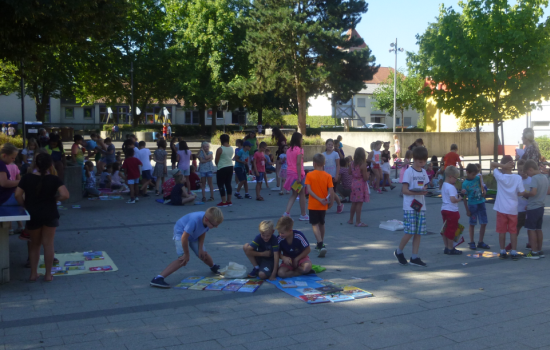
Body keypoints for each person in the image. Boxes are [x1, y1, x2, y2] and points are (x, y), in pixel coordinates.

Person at [15, 153, 70, 282]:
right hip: (50, 214)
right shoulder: (54, 179)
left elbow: (18, 194)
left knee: (34, 245)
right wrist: (55, 199)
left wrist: (24, 205)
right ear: (51, 165)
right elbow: (65, 195)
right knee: (48, 244)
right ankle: (48, 274)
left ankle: (33, 274)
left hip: (33, 214)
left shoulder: (27, 178)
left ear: (35, 164)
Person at [149, 207, 223, 288]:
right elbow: (184, 238)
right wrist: (186, 254)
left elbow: (202, 231)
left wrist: (200, 248)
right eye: (215, 225)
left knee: (203, 254)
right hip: (181, 234)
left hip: (193, 233)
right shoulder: (194, 220)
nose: (216, 227)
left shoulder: (208, 219)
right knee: (183, 259)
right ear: (206, 220)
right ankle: (158, 278)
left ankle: (213, 267)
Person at [394, 146, 430, 267]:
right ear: (414, 159)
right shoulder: (409, 171)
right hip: (410, 206)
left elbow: (425, 186)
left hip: (421, 206)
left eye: (424, 161)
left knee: (418, 232)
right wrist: (418, 192)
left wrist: (425, 190)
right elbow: (404, 190)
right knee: (410, 231)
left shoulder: (424, 172)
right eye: (420, 161)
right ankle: (399, 251)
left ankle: (414, 256)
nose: (422, 163)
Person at [490, 156, 526, 260]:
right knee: (513, 231)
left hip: (501, 209)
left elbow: (492, 164)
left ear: (504, 165)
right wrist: (516, 194)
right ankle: (514, 251)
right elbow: (522, 192)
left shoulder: (500, 176)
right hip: (513, 209)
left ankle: (502, 251)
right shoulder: (518, 178)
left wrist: (502, 166)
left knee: (502, 231)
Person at [305, 153, 335, 257]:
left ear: (314, 164)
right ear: (324, 163)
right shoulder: (328, 176)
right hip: (323, 205)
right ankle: (320, 242)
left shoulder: (309, 175)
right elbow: (331, 190)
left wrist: (318, 199)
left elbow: (309, 190)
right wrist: (331, 201)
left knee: (314, 224)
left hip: (313, 204)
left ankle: (320, 244)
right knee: (322, 223)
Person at [522, 159, 549, 259]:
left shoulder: (534, 178)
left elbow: (533, 192)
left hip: (533, 207)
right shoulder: (545, 177)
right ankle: (539, 250)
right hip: (541, 206)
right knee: (538, 229)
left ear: (530, 169)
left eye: (527, 173)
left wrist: (525, 194)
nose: (528, 175)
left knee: (531, 229)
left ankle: (533, 252)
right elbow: (546, 191)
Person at [461, 164, 490, 250]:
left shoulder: (478, 178)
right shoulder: (465, 184)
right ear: (467, 173)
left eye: (475, 174)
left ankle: (480, 241)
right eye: (473, 174)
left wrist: (484, 190)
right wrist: (467, 210)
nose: (474, 176)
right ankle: (472, 241)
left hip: (481, 202)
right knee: (472, 223)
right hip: (472, 204)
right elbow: (464, 198)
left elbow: (482, 186)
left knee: (484, 222)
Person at [506, 160, 532, 252]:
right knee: (516, 227)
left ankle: (531, 243)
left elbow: (533, 194)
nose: (523, 172)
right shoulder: (516, 179)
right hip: (519, 208)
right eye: (520, 170)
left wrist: (530, 204)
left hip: (529, 207)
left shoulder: (531, 179)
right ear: (517, 169)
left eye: (524, 170)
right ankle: (512, 243)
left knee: (530, 227)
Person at [282, 132, 308, 220]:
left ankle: (287, 212)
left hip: (290, 173)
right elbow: (298, 163)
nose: (302, 140)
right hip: (298, 174)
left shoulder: (289, 150)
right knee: (302, 194)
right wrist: (300, 177)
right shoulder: (300, 150)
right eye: (301, 139)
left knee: (294, 194)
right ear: (298, 140)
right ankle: (303, 214)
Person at [441, 166, 463, 255]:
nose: (456, 180)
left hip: (444, 209)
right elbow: (453, 199)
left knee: (445, 228)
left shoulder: (444, 185)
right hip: (452, 210)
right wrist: (459, 199)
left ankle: (446, 247)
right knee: (451, 230)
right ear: (450, 176)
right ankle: (451, 248)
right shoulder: (451, 187)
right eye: (455, 178)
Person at [348, 147, 370, 227]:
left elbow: (349, 172)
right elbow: (365, 178)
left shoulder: (352, 163)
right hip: (361, 184)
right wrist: (368, 175)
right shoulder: (363, 165)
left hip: (354, 183)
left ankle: (351, 219)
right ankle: (358, 221)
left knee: (354, 202)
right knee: (359, 203)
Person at [322, 139, 344, 213]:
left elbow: (338, 165)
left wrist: (337, 175)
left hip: (333, 175)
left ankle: (339, 204)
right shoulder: (323, 154)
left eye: (331, 145)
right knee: (326, 192)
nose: (330, 146)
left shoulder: (335, 154)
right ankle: (337, 204)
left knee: (332, 192)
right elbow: (322, 166)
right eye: (329, 144)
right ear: (326, 145)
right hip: (325, 176)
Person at [214, 134, 234, 207]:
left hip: (222, 167)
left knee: (221, 184)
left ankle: (223, 201)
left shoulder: (220, 149)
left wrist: (217, 165)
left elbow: (216, 160)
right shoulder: (231, 148)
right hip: (230, 166)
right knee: (228, 183)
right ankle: (229, 201)